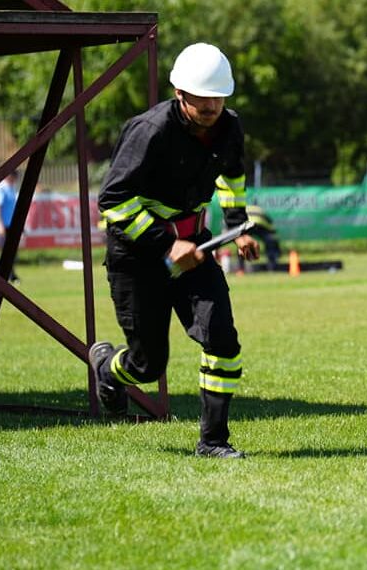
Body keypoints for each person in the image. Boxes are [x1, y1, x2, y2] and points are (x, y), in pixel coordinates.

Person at [89, 43, 259, 459]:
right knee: (148, 366)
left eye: (218, 97)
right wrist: (167, 243)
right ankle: (107, 370)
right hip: (138, 255)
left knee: (222, 339)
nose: (211, 106)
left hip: (196, 249)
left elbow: (232, 176)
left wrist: (237, 226)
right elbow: (113, 201)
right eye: (202, 98)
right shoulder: (148, 131)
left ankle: (213, 442)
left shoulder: (229, 127)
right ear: (180, 94)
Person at [0, 170, 20, 282]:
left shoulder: (11, 189)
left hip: (10, 225)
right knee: (5, 252)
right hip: (2, 225)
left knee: (11, 252)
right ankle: (1, 275)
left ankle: (10, 275)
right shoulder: (1, 189)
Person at [236, 203, 281, 272]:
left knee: (242, 244)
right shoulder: (260, 209)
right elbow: (270, 223)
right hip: (260, 226)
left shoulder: (247, 208)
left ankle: (240, 268)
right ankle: (272, 267)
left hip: (247, 225)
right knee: (270, 244)